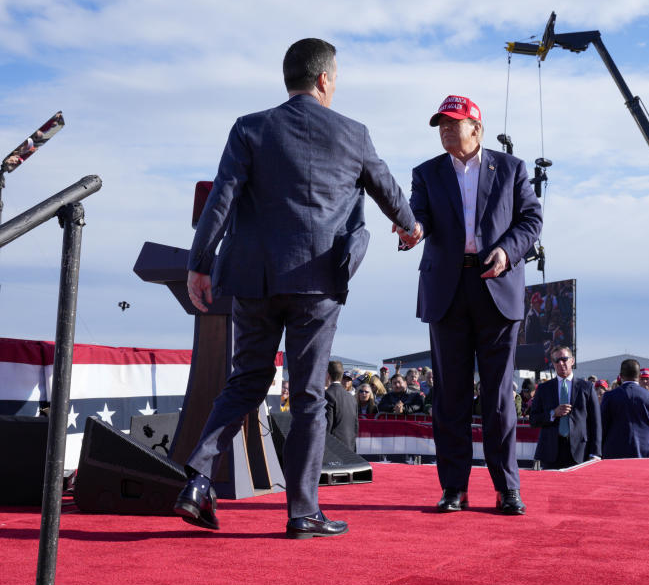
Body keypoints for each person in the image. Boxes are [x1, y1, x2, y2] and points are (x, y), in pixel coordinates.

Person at [174, 38, 418, 539]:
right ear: (326, 79)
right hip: (318, 283)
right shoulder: (353, 133)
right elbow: (387, 189)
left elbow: (221, 198)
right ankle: (302, 511)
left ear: (290, 78)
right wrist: (409, 225)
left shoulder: (249, 128)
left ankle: (198, 480)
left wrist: (200, 264)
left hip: (254, 280)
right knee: (308, 397)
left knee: (245, 380)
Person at [400, 94, 543, 515]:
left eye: (453, 123)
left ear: (476, 128)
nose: (445, 130)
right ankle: (454, 489)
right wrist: (412, 230)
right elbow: (418, 214)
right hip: (446, 288)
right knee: (450, 397)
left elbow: (531, 220)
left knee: (499, 397)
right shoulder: (426, 172)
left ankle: (507, 488)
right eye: (440, 124)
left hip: (495, 284)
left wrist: (506, 252)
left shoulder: (512, 170)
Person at [528, 346, 602, 469]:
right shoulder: (543, 389)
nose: (561, 363)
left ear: (572, 361)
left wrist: (596, 453)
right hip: (551, 452)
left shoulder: (586, 387)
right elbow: (533, 420)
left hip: (580, 451)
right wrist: (553, 413)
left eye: (564, 359)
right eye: (557, 360)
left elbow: (596, 423)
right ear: (553, 363)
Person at [601, 359, 649, 459]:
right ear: (639, 376)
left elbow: (602, 426)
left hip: (615, 452)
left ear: (621, 376)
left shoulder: (609, 396)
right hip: (646, 452)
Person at [325, 361, 358, 452]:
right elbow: (355, 427)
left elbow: (327, 425)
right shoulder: (352, 398)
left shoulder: (327, 395)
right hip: (349, 448)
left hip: (334, 450)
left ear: (328, 375)